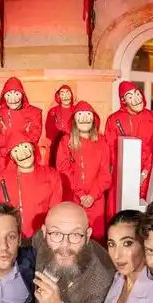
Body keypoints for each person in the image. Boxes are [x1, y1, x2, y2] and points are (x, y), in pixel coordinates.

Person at [0, 131, 63, 239]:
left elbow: (56, 210)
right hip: (12, 238)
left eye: (25, 147)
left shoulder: (52, 175)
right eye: (16, 150)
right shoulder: (0, 179)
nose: (22, 154)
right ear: (11, 156)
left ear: (33, 148)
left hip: (43, 237)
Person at [104, 81, 153, 209]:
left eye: (137, 93)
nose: (136, 99)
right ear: (123, 100)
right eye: (130, 96)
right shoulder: (114, 120)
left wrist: (144, 173)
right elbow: (111, 151)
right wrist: (124, 174)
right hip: (122, 176)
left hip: (148, 176)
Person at [56, 101, 111, 239]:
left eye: (88, 114)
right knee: (74, 237)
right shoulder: (66, 141)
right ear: (74, 119)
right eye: (80, 114)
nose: (85, 118)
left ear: (93, 118)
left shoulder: (102, 141)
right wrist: (80, 194)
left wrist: (92, 195)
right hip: (73, 198)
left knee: (95, 241)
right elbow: (64, 171)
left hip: (96, 201)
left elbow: (105, 174)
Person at [0, 77, 44, 170]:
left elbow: (35, 135)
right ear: (4, 96)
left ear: (22, 95)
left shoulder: (33, 112)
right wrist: (20, 138)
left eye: (16, 94)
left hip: (25, 156)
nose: (13, 99)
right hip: (4, 159)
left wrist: (9, 138)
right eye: (9, 95)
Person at [45, 84, 75, 166]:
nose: (65, 96)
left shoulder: (77, 110)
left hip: (74, 143)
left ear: (71, 95)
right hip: (57, 144)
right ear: (59, 96)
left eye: (68, 93)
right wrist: (61, 139)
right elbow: (49, 129)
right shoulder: (53, 111)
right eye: (62, 93)